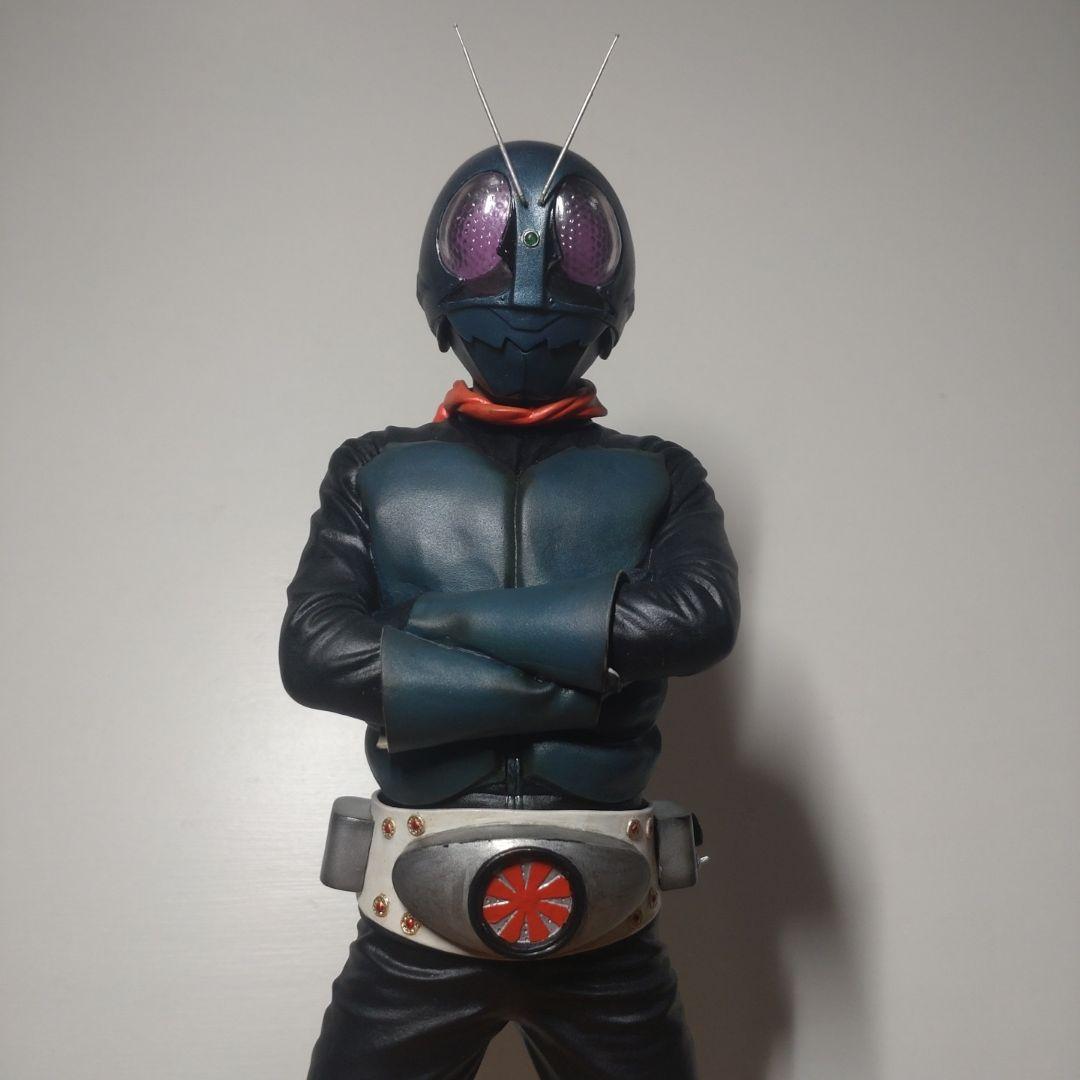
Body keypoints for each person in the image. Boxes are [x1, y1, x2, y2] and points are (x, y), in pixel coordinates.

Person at [281, 139, 739, 1080]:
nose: (528, 291)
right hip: (417, 919)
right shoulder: (373, 468)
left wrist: (436, 620)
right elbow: (314, 652)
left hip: (605, 919)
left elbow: (699, 618)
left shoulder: (660, 473)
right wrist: (575, 680)